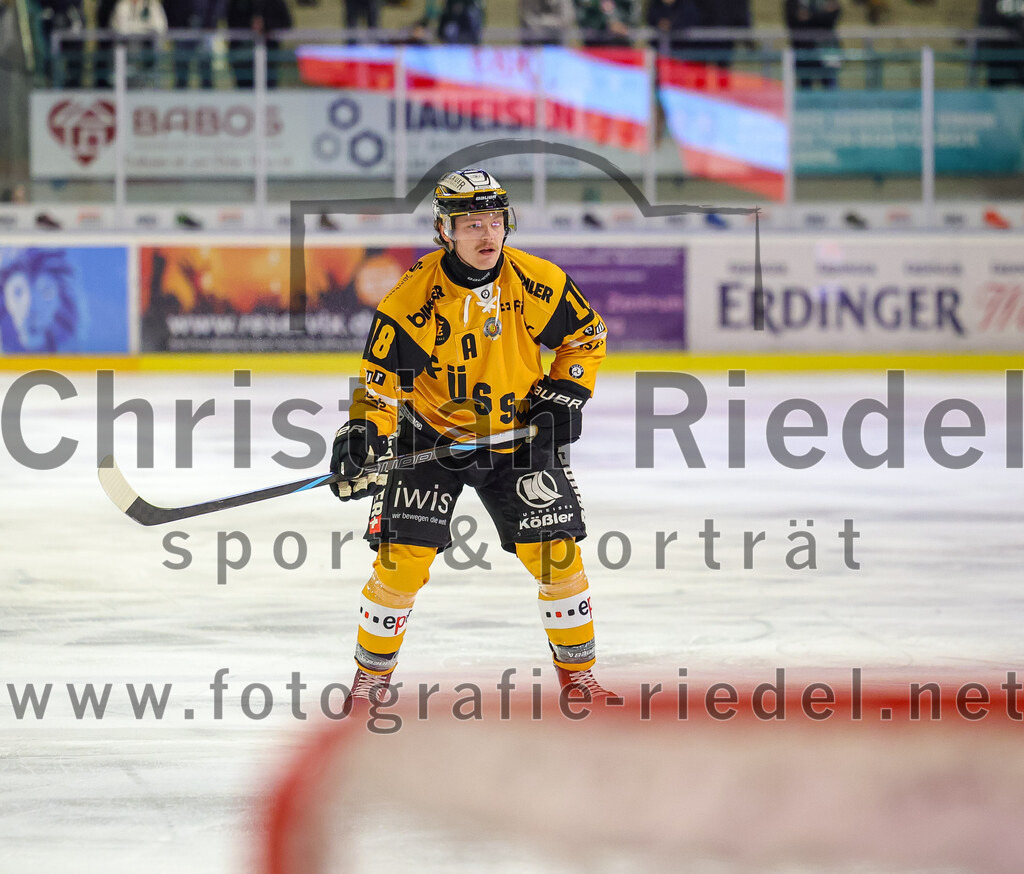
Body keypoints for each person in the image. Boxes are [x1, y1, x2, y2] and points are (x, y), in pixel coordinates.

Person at [329, 168, 614, 711]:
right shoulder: (410, 300)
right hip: (431, 438)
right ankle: (369, 683)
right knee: (402, 561)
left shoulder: (539, 282)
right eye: (471, 224)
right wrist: (366, 431)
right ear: (445, 231)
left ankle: (579, 678)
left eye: (495, 222)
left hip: (519, 438)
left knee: (556, 555)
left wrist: (566, 394)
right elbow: (381, 383)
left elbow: (586, 338)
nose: (487, 236)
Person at [784, 0, 841, 89]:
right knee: (805, 87)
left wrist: (809, 16)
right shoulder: (792, 2)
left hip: (827, 49)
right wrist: (822, 14)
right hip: (803, 52)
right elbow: (793, 22)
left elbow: (831, 18)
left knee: (830, 86)